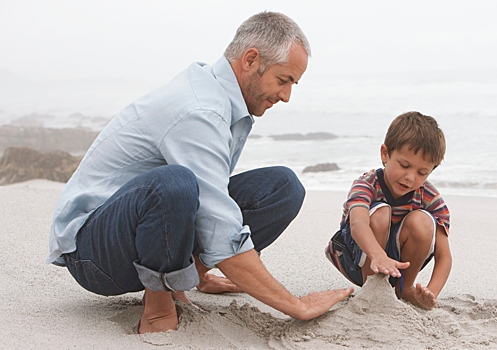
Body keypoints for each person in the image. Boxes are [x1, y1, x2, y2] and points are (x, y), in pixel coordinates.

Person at [46, 11, 353, 334]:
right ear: (250, 59)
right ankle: (159, 308)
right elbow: (219, 226)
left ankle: (189, 276)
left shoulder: (225, 98)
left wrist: (201, 270)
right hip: (95, 255)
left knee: (282, 187)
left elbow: (211, 197)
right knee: (175, 183)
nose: (286, 96)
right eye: (283, 80)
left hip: (140, 231)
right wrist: (297, 305)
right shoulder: (200, 110)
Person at [325, 111, 451, 310]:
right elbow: (358, 224)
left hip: (399, 267)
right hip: (357, 256)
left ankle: (404, 288)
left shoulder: (430, 197)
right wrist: (377, 255)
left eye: (421, 172)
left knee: (423, 221)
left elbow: (444, 256)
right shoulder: (366, 184)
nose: (410, 177)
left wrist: (431, 293)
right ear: (385, 154)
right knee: (381, 212)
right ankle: (372, 288)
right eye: (404, 165)